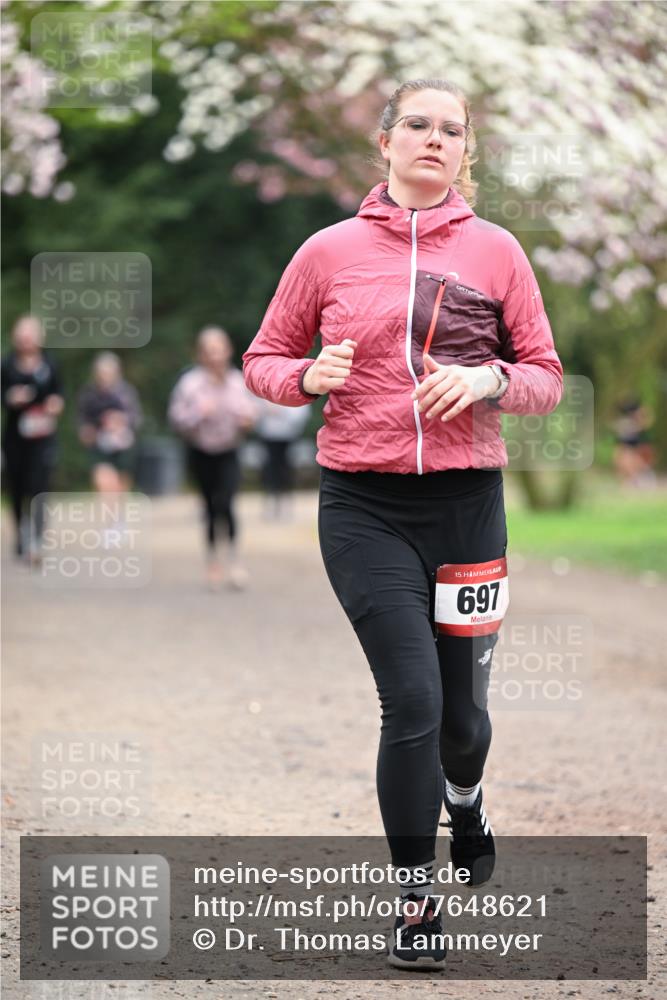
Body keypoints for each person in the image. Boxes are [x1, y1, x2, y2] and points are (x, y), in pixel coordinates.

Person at [243, 78, 563, 971]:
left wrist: (491, 379)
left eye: (449, 129)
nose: (432, 138)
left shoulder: (498, 253)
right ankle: (415, 901)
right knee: (413, 701)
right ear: (383, 144)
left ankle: (465, 799)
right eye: (415, 125)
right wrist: (306, 377)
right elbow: (263, 358)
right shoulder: (328, 251)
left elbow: (543, 372)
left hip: (467, 508)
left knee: (464, 718)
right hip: (363, 506)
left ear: (468, 153)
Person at [168, 326, 258, 591]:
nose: (215, 356)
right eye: (209, 351)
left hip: (229, 450)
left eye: (219, 350)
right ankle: (213, 563)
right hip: (201, 451)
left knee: (228, 504)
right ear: (201, 355)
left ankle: (234, 561)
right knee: (209, 507)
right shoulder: (190, 384)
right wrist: (197, 414)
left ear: (228, 351)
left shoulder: (237, 381)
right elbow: (176, 418)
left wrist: (247, 420)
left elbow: (253, 413)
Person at [1, 314, 64, 562]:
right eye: (22, 336)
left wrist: (55, 403)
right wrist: (10, 397)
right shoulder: (6, 364)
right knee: (17, 487)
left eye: (31, 335)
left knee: (40, 485)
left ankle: (37, 539)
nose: (26, 340)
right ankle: (20, 532)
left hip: (43, 435)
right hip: (15, 436)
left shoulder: (50, 364)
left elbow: (59, 392)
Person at [77, 352, 142, 494]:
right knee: (103, 479)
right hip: (99, 444)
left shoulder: (126, 392)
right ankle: (110, 511)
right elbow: (82, 420)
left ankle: (118, 512)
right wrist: (86, 431)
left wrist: (120, 421)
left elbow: (136, 418)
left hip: (122, 443)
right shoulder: (89, 394)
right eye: (101, 373)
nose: (104, 376)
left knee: (122, 481)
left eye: (108, 373)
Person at [255, 399, 312, 519]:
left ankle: (285, 502)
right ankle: (271, 501)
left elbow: (301, 412)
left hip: (288, 436)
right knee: (269, 470)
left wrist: (281, 411)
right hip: (268, 436)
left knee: (286, 470)